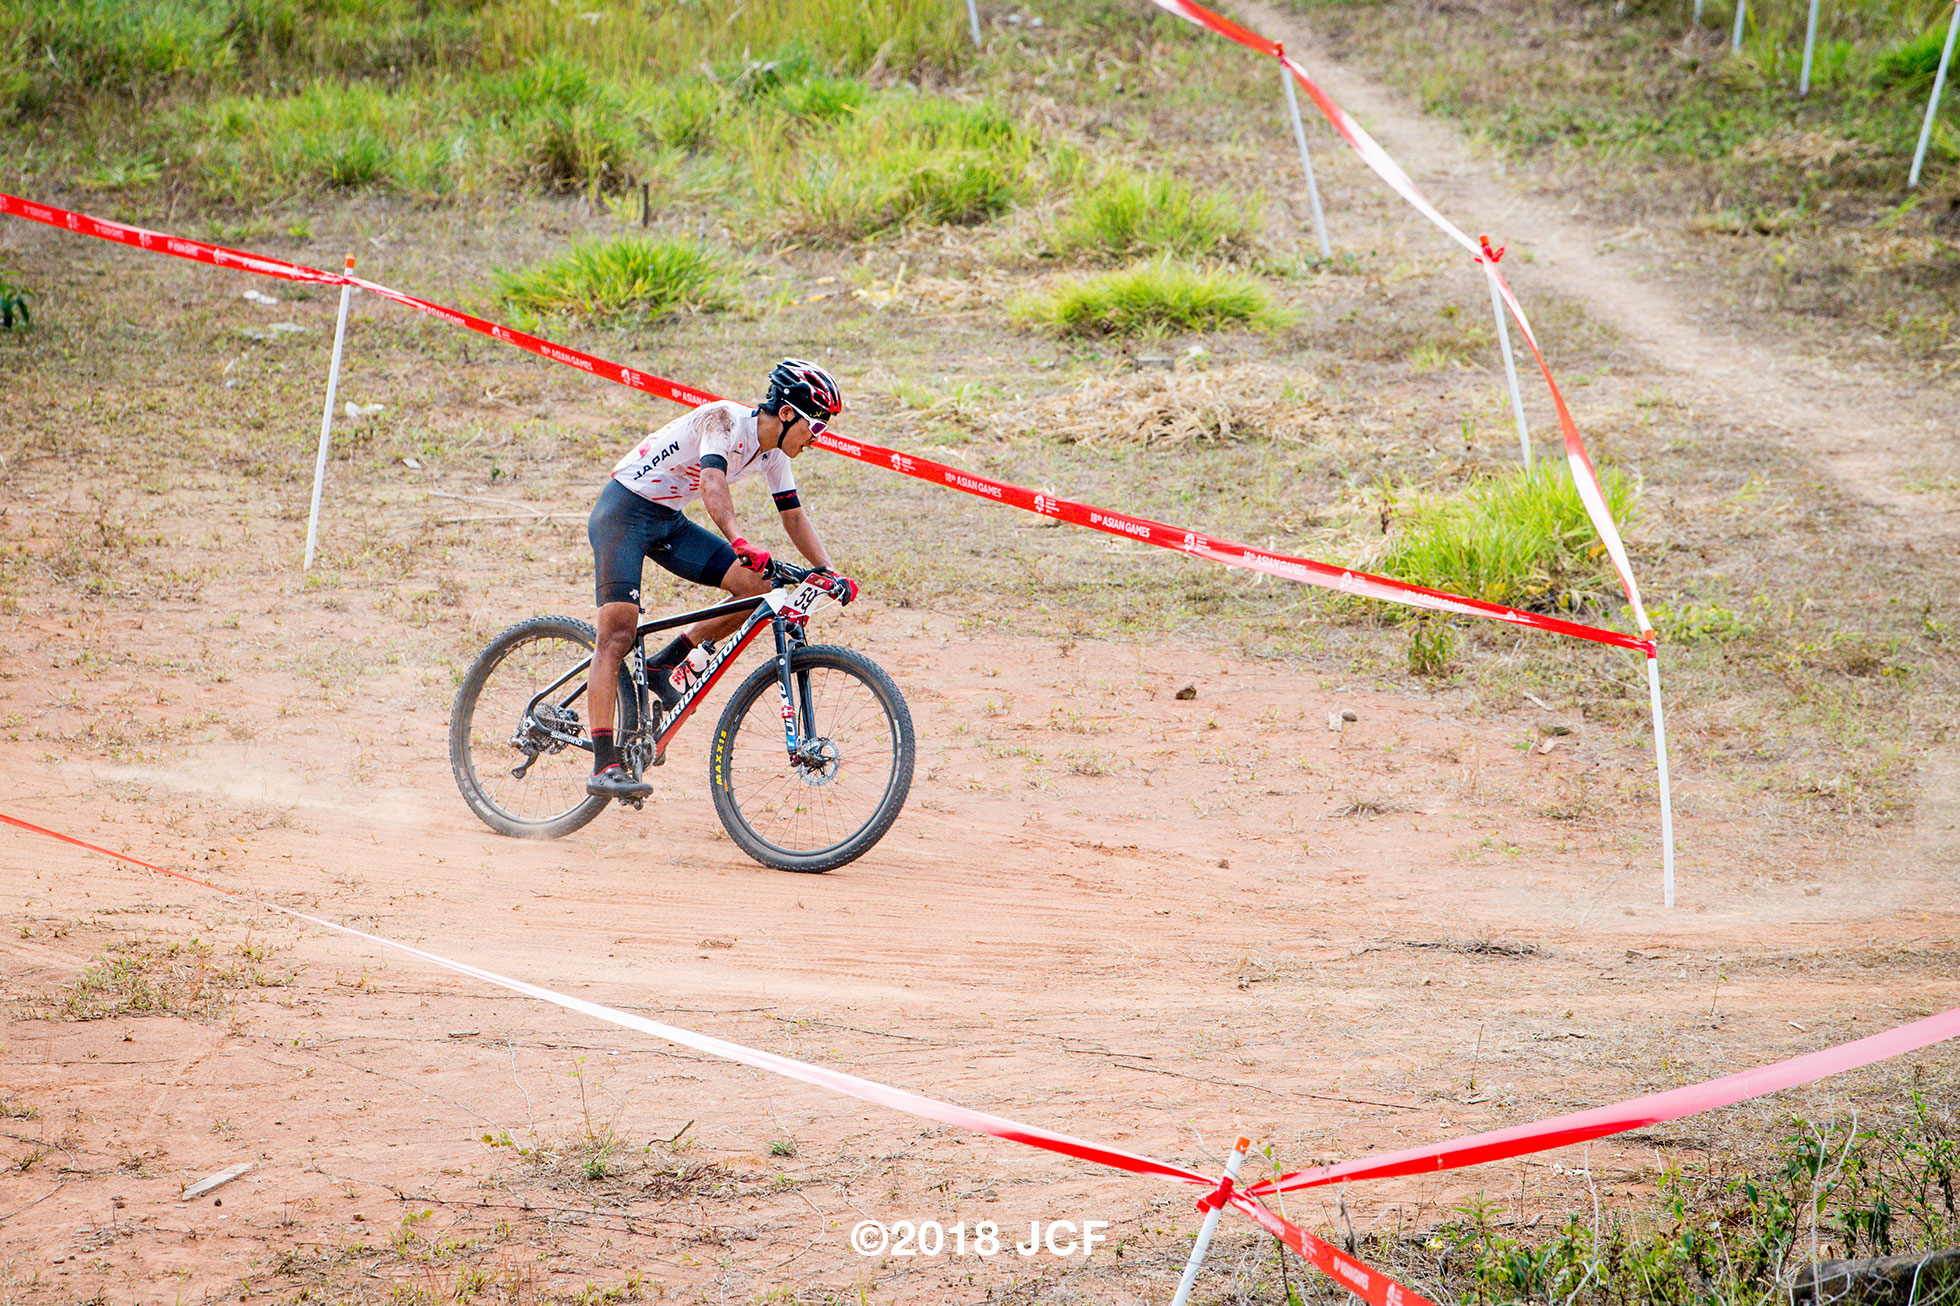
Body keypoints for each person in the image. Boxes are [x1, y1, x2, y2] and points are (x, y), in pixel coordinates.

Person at [583, 358, 856, 799]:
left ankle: (666, 661)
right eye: (817, 427)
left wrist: (829, 571)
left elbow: (793, 515)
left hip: (667, 520)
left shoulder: (774, 453)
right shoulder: (724, 419)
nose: (818, 439)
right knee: (616, 635)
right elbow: (713, 482)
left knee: (760, 591)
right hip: (623, 513)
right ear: (786, 413)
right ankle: (604, 763)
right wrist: (739, 540)